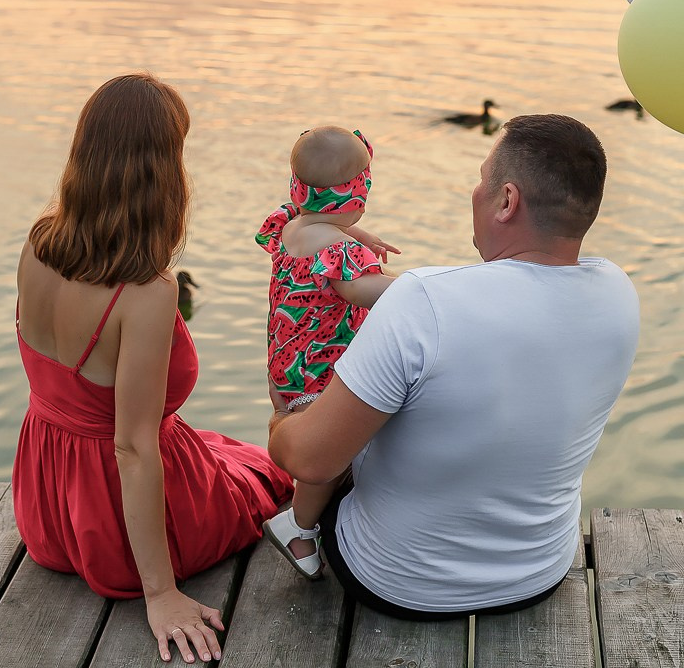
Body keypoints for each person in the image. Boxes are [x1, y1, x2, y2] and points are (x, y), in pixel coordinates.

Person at [268, 114, 640, 618]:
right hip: (540, 572)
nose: (474, 192)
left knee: (322, 441)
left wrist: (283, 422)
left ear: (507, 201)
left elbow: (309, 460)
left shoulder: (422, 300)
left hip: (398, 581)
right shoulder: (620, 293)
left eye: (481, 180)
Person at [12, 73, 291, 665]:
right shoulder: (144, 292)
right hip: (118, 529)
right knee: (272, 478)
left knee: (222, 449)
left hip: (47, 505)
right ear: (165, 172)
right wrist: (161, 594)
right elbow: (133, 451)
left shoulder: (38, 243)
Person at [256, 126, 397, 579]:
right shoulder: (338, 252)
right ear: (354, 196)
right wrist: (417, 285)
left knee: (323, 448)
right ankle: (298, 528)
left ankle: (319, 512)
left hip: (287, 366)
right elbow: (362, 291)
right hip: (320, 373)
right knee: (328, 460)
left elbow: (322, 223)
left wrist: (362, 236)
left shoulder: (291, 225)